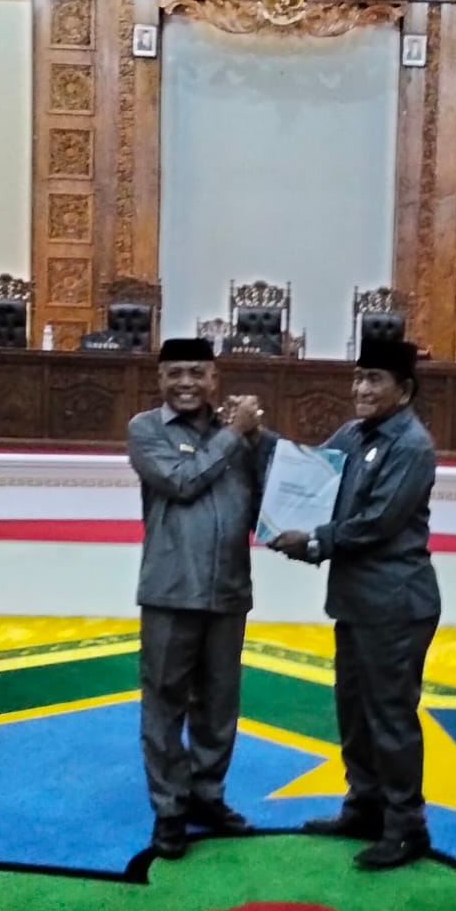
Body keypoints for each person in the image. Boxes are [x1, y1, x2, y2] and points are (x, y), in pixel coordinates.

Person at [268, 338, 441, 870]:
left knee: (389, 716)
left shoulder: (411, 446)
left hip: (396, 604)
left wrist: (312, 541)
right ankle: (364, 807)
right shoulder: (354, 433)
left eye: (374, 380)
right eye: (358, 377)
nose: (361, 389)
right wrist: (256, 439)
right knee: (355, 711)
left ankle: (406, 826)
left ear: (404, 390)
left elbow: (378, 523)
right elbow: (309, 472)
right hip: (357, 601)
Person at [126, 337, 274, 859]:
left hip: (228, 590)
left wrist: (256, 436)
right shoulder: (145, 430)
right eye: (175, 373)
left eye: (197, 373)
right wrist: (235, 434)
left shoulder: (241, 434)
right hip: (171, 590)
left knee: (219, 703)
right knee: (164, 703)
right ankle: (170, 810)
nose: (186, 383)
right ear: (160, 380)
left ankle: (207, 797)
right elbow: (182, 482)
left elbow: (272, 495)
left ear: (215, 379)